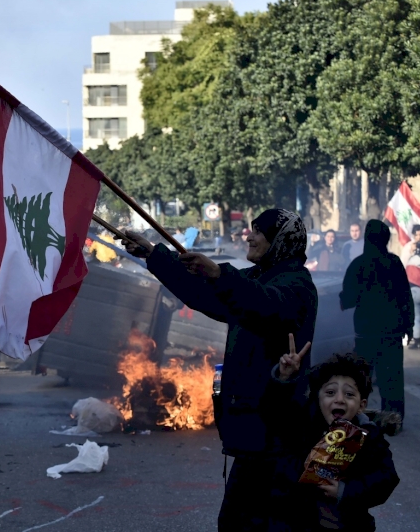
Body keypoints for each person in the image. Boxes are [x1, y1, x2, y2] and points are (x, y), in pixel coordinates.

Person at [119, 208, 318, 531]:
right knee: (236, 523)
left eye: (258, 231)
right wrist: (154, 255)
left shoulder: (297, 285)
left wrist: (220, 274)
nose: (248, 235)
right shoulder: (258, 277)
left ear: (280, 241)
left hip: (277, 434)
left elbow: (265, 304)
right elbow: (203, 294)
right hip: (253, 430)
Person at [269, 344, 400, 531]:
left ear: (361, 404)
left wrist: (344, 491)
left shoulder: (369, 437)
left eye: (349, 394)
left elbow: (386, 479)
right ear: (318, 398)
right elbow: (277, 413)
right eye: (330, 393)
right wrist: (284, 377)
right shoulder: (303, 427)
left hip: (350, 523)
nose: (339, 399)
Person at [340, 219, 413, 422]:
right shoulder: (395, 263)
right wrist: (409, 325)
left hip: (366, 333)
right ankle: (393, 418)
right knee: (392, 378)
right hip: (392, 333)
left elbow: (347, 299)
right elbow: (405, 296)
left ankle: (355, 418)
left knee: (361, 379)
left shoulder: (359, 265)